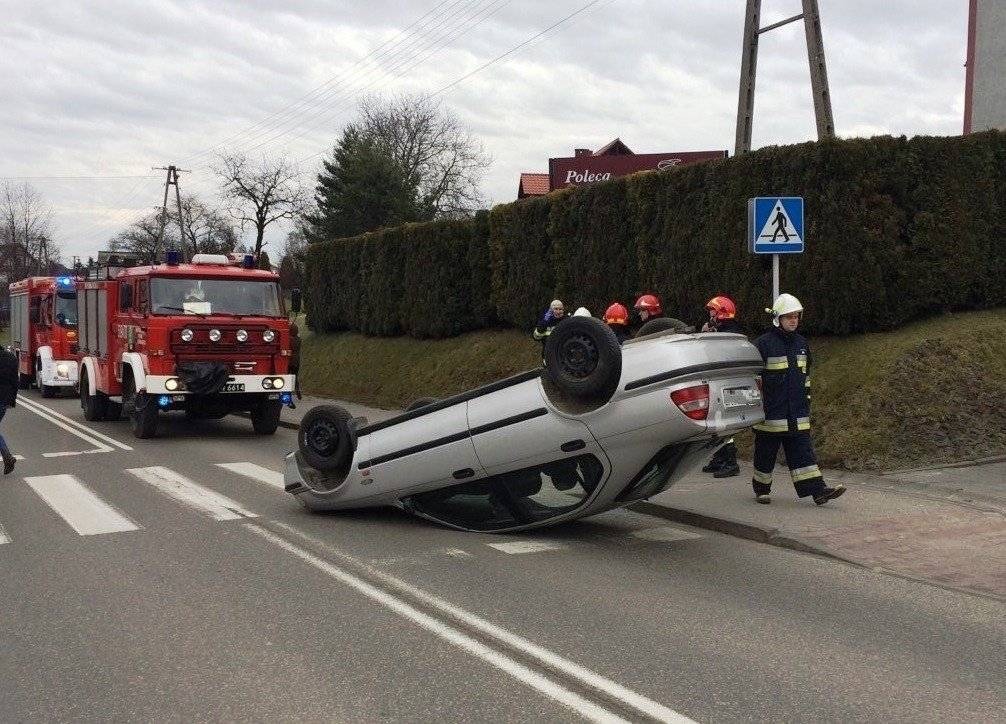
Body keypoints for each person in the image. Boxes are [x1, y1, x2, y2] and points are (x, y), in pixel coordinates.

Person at [751, 294, 845, 505]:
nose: (793, 320)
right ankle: (761, 489)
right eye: (788, 317)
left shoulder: (802, 343)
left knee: (803, 455)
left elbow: (806, 377)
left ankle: (818, 491)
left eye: (796, 316)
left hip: (797, 414)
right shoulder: (763, 345)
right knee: (765, 455)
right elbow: (754, 379)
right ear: (778, 319)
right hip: (771, 415)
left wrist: (806, 403)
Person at [700, 295, 743, 478]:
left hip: (727, 386)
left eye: (712, 311)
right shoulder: (723, 330)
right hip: (721, 384)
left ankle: (730, 463)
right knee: (717, 425)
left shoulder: (727, 333)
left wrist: (707, 334)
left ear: (720, 313)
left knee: (725, 426)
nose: (710, 314)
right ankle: (719, 459)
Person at [0, 346, 19, 475]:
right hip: (4, 400)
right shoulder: (11, 357)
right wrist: (12, 400)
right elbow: (15, 382)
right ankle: (7, 458)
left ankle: (7, 457)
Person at [289, 323, 303, 408]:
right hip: (296, 360)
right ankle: (298, 393)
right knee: (295, 377)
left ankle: (288, 395)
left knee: (287, 377)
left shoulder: (289, 339)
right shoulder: (299, 339)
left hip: (289, 361)